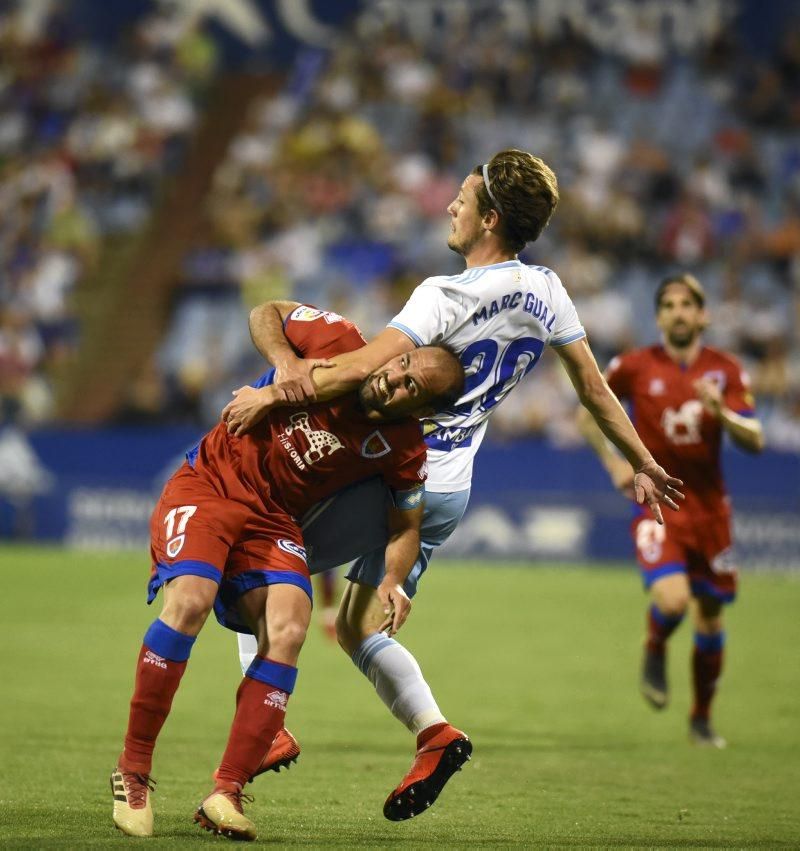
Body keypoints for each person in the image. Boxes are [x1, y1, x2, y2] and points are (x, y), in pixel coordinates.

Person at [221, 149, 685, 820]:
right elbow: (592, 388)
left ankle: (266, 727)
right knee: (356, 626)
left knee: (249, 560)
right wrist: (641, 457)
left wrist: (280, 388)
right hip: (452, 490)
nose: (450, 207)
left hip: (394, 475)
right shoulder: (548, 289)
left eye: (462, 200)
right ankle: (435, 734)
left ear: (490, 218)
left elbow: (363, 369)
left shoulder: (444, 296)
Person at [110, 304, 465, 840]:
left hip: (273, 519)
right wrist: (284, 362)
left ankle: (225, 791)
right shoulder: (338, 339)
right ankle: (133, 772)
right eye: (402, 364)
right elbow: (264, 310)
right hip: (209, 484)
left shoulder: (404, 447)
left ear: (424, 409)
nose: (393, 378)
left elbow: (405, 527)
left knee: (290, 628)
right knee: (190, 601)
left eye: (411, 387)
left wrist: (392, 579)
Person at [578, 273, 764, 747]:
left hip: (711, 512)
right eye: (669, 305)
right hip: (658, 506)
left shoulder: (726, 370)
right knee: (674, 600)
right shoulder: (635, 366)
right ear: (658, 316)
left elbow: (756, 440)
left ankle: (701, 719)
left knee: (710, 617)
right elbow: (587, 410)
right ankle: (655, 644)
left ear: (702, 315)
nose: (678, 312)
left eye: (687, 304)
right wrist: (614, 463)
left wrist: (722, 412)